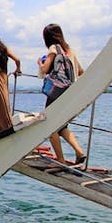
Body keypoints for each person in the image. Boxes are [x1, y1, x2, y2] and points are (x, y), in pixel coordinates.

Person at [38, 23, 86, 165]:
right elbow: (81, 72)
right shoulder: (70, 50)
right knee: (61, 126)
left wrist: (41, 63)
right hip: (70, 93)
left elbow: (46, 69)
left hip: (56, 93)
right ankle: (79, 152)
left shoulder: (54, 48)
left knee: (48, 124)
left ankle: (60, 159)